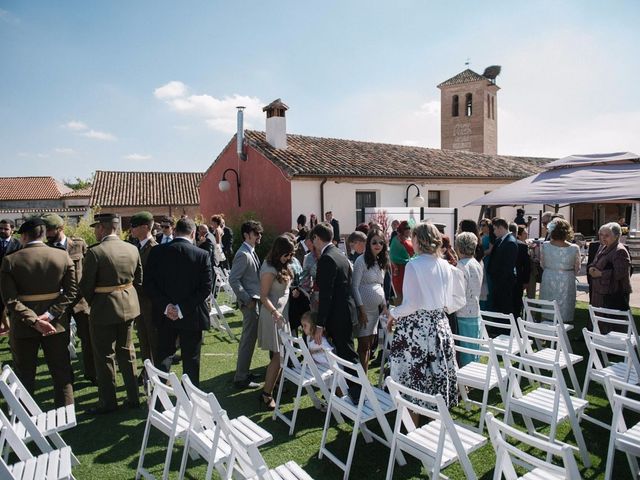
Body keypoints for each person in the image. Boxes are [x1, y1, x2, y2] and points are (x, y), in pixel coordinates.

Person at [0, 217, 77, 407]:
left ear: (24, 236)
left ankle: (24, 416)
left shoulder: (10, 260)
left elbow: (9, 300)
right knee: (61, 371)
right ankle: (66, 411)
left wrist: (34, 321)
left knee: (25, 373)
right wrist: (49, 315)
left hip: (23, 324)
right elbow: (71, 292)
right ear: (43, 234)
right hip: (55, 323)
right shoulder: (62, 256)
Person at [387, 223, 459, 410]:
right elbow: (450, 302)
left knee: (415, 377)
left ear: (419, 240)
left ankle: (414, 425)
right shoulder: (445, 265)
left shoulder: (414, 265)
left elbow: (411, 304)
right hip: (441, 325)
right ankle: (434, 420)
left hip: (418, 329)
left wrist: (393, 313)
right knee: (436, 377)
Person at [79, 213, 141, 414]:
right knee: (127, 352)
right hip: (129, 306)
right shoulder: (132, 248)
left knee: (104, 355)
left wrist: (94, 303)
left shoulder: (95, 252)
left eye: (96, 227)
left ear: (104, 228)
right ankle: (134, 397)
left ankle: (108, 402)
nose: (95, 231)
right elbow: (139, 279)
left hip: (104, 308)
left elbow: (86, 286)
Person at [144, 218, 212, 388]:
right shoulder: (201, 254)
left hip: (164, 315)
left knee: (163, 357)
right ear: (193, 233)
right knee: (191, 360)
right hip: (192, 314)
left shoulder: (157, 252)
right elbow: (206, 288)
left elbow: (149, 285)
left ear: (174, 231)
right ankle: (191, 400)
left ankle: (159, 401)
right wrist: (181, 309)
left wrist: (167, 307)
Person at [42, 213, 96, 383]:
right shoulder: (46, 249)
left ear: (61, 228)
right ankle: (67, 377)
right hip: (58, 303)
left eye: (51, 230)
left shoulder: (78, 244)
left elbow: (89, 269)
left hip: (81, 301)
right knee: (61, 342)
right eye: (46, 230)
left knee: (88, 339)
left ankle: (92, 373)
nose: (48, 234)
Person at [311, 222, 359, 399]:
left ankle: (357, 391)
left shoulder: (327, 258)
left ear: (317, 238)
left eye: (313, 238)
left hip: (338, 313)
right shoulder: (339, 253)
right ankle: (347, 389)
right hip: (344, 310)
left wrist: (320, 324)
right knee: (344, 352)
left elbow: (326, 294)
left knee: (346, 354)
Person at [257, 235, 295, 409]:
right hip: (273, 315)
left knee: (280, 355)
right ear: (279, 251)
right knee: (278, 357)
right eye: (286, 254)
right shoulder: (269, 268)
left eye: (291, 254)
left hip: (282, 314)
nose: (289, 258)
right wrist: (274, 312)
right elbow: (263, 297)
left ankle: (276, 384)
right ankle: (266, 394)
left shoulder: (281, 265)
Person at [229, 220, 264, 389]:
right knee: (248, 340)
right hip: (250, 303)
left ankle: (244, 372)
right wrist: (247, 299)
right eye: (256, 233)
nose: (259, 236)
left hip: (254, 302)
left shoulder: (249, 251)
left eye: (259, 233)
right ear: (247, 235)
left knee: (249, 340)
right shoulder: (243, 253)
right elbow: (233, 280)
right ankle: (241, 377)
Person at [352, 230, 388, 372]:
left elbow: (380, 286)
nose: (377, 245)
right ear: (368, 244)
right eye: (374, 242)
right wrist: (361, 310)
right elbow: (354, 287)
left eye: (380, 242)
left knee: (370, 344)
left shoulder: (380, 261)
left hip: (375, 311)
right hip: (364, 310)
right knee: (363, 344)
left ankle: (363, 376)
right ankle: (362, 378)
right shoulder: (361, 261)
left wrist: (384, 306)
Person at [129, 211, 158, 369]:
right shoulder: (136, 247)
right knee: (143, 338)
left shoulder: (154, 248)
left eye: (135, 226)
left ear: (145, 227)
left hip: (150, 302)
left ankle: (159, 374)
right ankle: (148, 370)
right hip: (138, 301)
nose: (131, 229)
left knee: (153, 339)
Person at [539, 218, 581, 324]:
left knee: (548, 304)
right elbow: (577, 269)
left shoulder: (545, 246)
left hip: (549, 276)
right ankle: (562, 330)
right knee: (565, 305)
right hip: (567, 278)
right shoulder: (574, 248)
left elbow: (542, 264)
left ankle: (547, 328)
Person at [588, 222, 632, 313]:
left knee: (611, 323)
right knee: (598, 321)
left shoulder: (620, 251)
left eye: (607, 235)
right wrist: (591, 269)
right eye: (601, 235)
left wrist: (601, 273)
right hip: (600, 292)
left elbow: (620, 274)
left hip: (613, 294)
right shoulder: (602, 247)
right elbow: (595, 262)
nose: (603, 237)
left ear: (616, 236)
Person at [455, 232, 483, 367]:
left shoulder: (460, 265)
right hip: (475, 309)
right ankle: (473, 372)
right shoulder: (477, 263)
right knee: (473, 345)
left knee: (465, 348)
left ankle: (467, 379)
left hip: (462, 312)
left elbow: (458, 292)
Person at [487, 218, 518, 317]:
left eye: (495, 229)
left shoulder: (510, 242)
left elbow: (508, 266)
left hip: (504, 283)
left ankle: (504, 330)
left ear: (501, 228)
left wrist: (498, 280)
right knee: (498, 308)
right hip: (498, 282)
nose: (494, 232)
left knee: (504, 309)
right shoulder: (501, 240)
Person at [0, 219, 21, 334]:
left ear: (12, 230)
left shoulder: (18, 244)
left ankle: (13, 330)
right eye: (0, 228)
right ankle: (7, 327)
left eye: (6, 229)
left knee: (13, 307)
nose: (2, 231)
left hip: (13, 282)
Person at [389, 221, 414, 304]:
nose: (408, 230)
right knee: (400, 295)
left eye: (409, 228)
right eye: (405, 228)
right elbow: (392, 256)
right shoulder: (396, 239)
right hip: (400, 270)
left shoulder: (410, 239)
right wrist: (407, 261)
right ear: (401, 230)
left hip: (410, 269)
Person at [514, 226, 532, 318]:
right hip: (517, 278)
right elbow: (526, 265)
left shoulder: (524, 245)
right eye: (525, 233)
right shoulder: (522, 246)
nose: (527, 234)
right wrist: (526, 281)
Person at [478, 218, 495, 310]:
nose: (482, 227)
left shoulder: (491, 237)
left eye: (484, 225)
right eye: (481, 225)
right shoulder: (480, 235)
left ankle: (487, 307)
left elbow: (490, 250)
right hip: (480, 260)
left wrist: (481, 254)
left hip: (487, 261)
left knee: (487, 283)